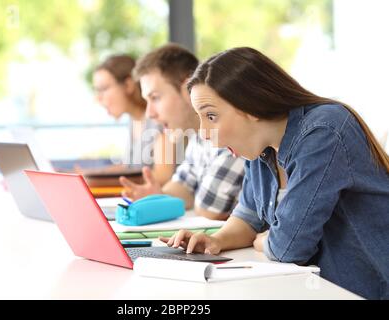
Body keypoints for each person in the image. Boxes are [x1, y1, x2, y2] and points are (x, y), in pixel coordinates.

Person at [161, 47, 389, 299]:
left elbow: (288, 247)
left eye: (211, 116)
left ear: (251, 107)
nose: (203, 132)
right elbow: (247, 219)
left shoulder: (324, 131)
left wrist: (266, 240)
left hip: (365, 290)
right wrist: (216, 240)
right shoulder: (258, 146)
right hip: (314, 288)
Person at [119, 44, 245, 221]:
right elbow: (183, 186)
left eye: (155, 98)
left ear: (188, 90)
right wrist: (159, 195)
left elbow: (210, 209)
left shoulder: (228, 133)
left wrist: (170, 199)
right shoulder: (198, 137)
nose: (149, 113)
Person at [92, 54, 175, 185]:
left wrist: (107, 181)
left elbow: (162, 176)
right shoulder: (133, 121)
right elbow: (129, 168)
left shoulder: (158, 120)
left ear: (128, 85)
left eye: (103, 89)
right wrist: (89, 176)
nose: (98, 98)